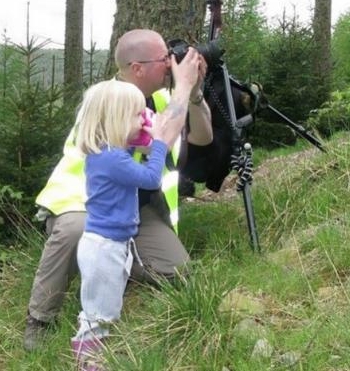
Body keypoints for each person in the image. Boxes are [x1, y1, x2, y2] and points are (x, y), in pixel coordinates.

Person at [23, 29, 210, 350]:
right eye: (163, 59)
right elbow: (161, 130)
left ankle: (114, 266)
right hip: (85, 206)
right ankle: (40, 318)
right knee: (75, 231)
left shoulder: (164, 98)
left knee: (178, 274)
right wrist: (183, 86)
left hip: (139, 212)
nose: (170, 64)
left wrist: (192, 95)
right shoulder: (106, 101)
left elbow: (203, 137)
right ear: (137, 68)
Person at [69, 79, 181, 369]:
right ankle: (88, 358)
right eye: (137, 114)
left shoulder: (109, 153)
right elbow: (150, 178)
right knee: (100, 311)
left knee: (104, 305)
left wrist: (142, 137)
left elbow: (136, 163)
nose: (144, 119)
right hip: (104, 247)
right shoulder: (112, 159)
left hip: (110, 243)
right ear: (117, 120)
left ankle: (92, 347)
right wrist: (158, 144)